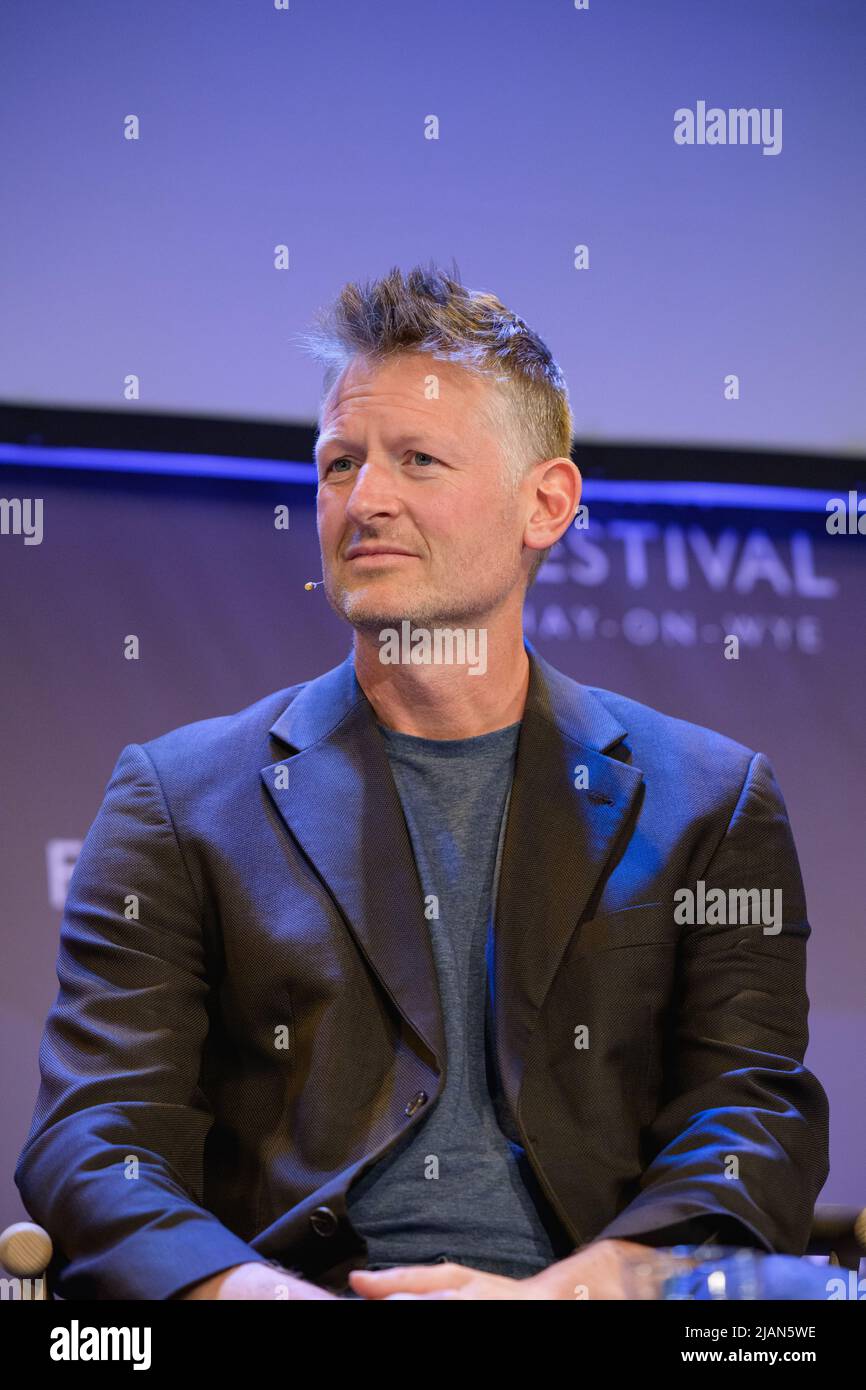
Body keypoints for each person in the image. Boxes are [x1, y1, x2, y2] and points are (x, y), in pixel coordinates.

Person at [15, 262, 830, 1301]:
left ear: (546, 504)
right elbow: (94, 1137)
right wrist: (252, 1295)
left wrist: (582, 1291)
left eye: (418, 460)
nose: (365, 500)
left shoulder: (709, 801)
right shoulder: (176, 799)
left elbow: (749, 1114)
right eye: (339, 461)